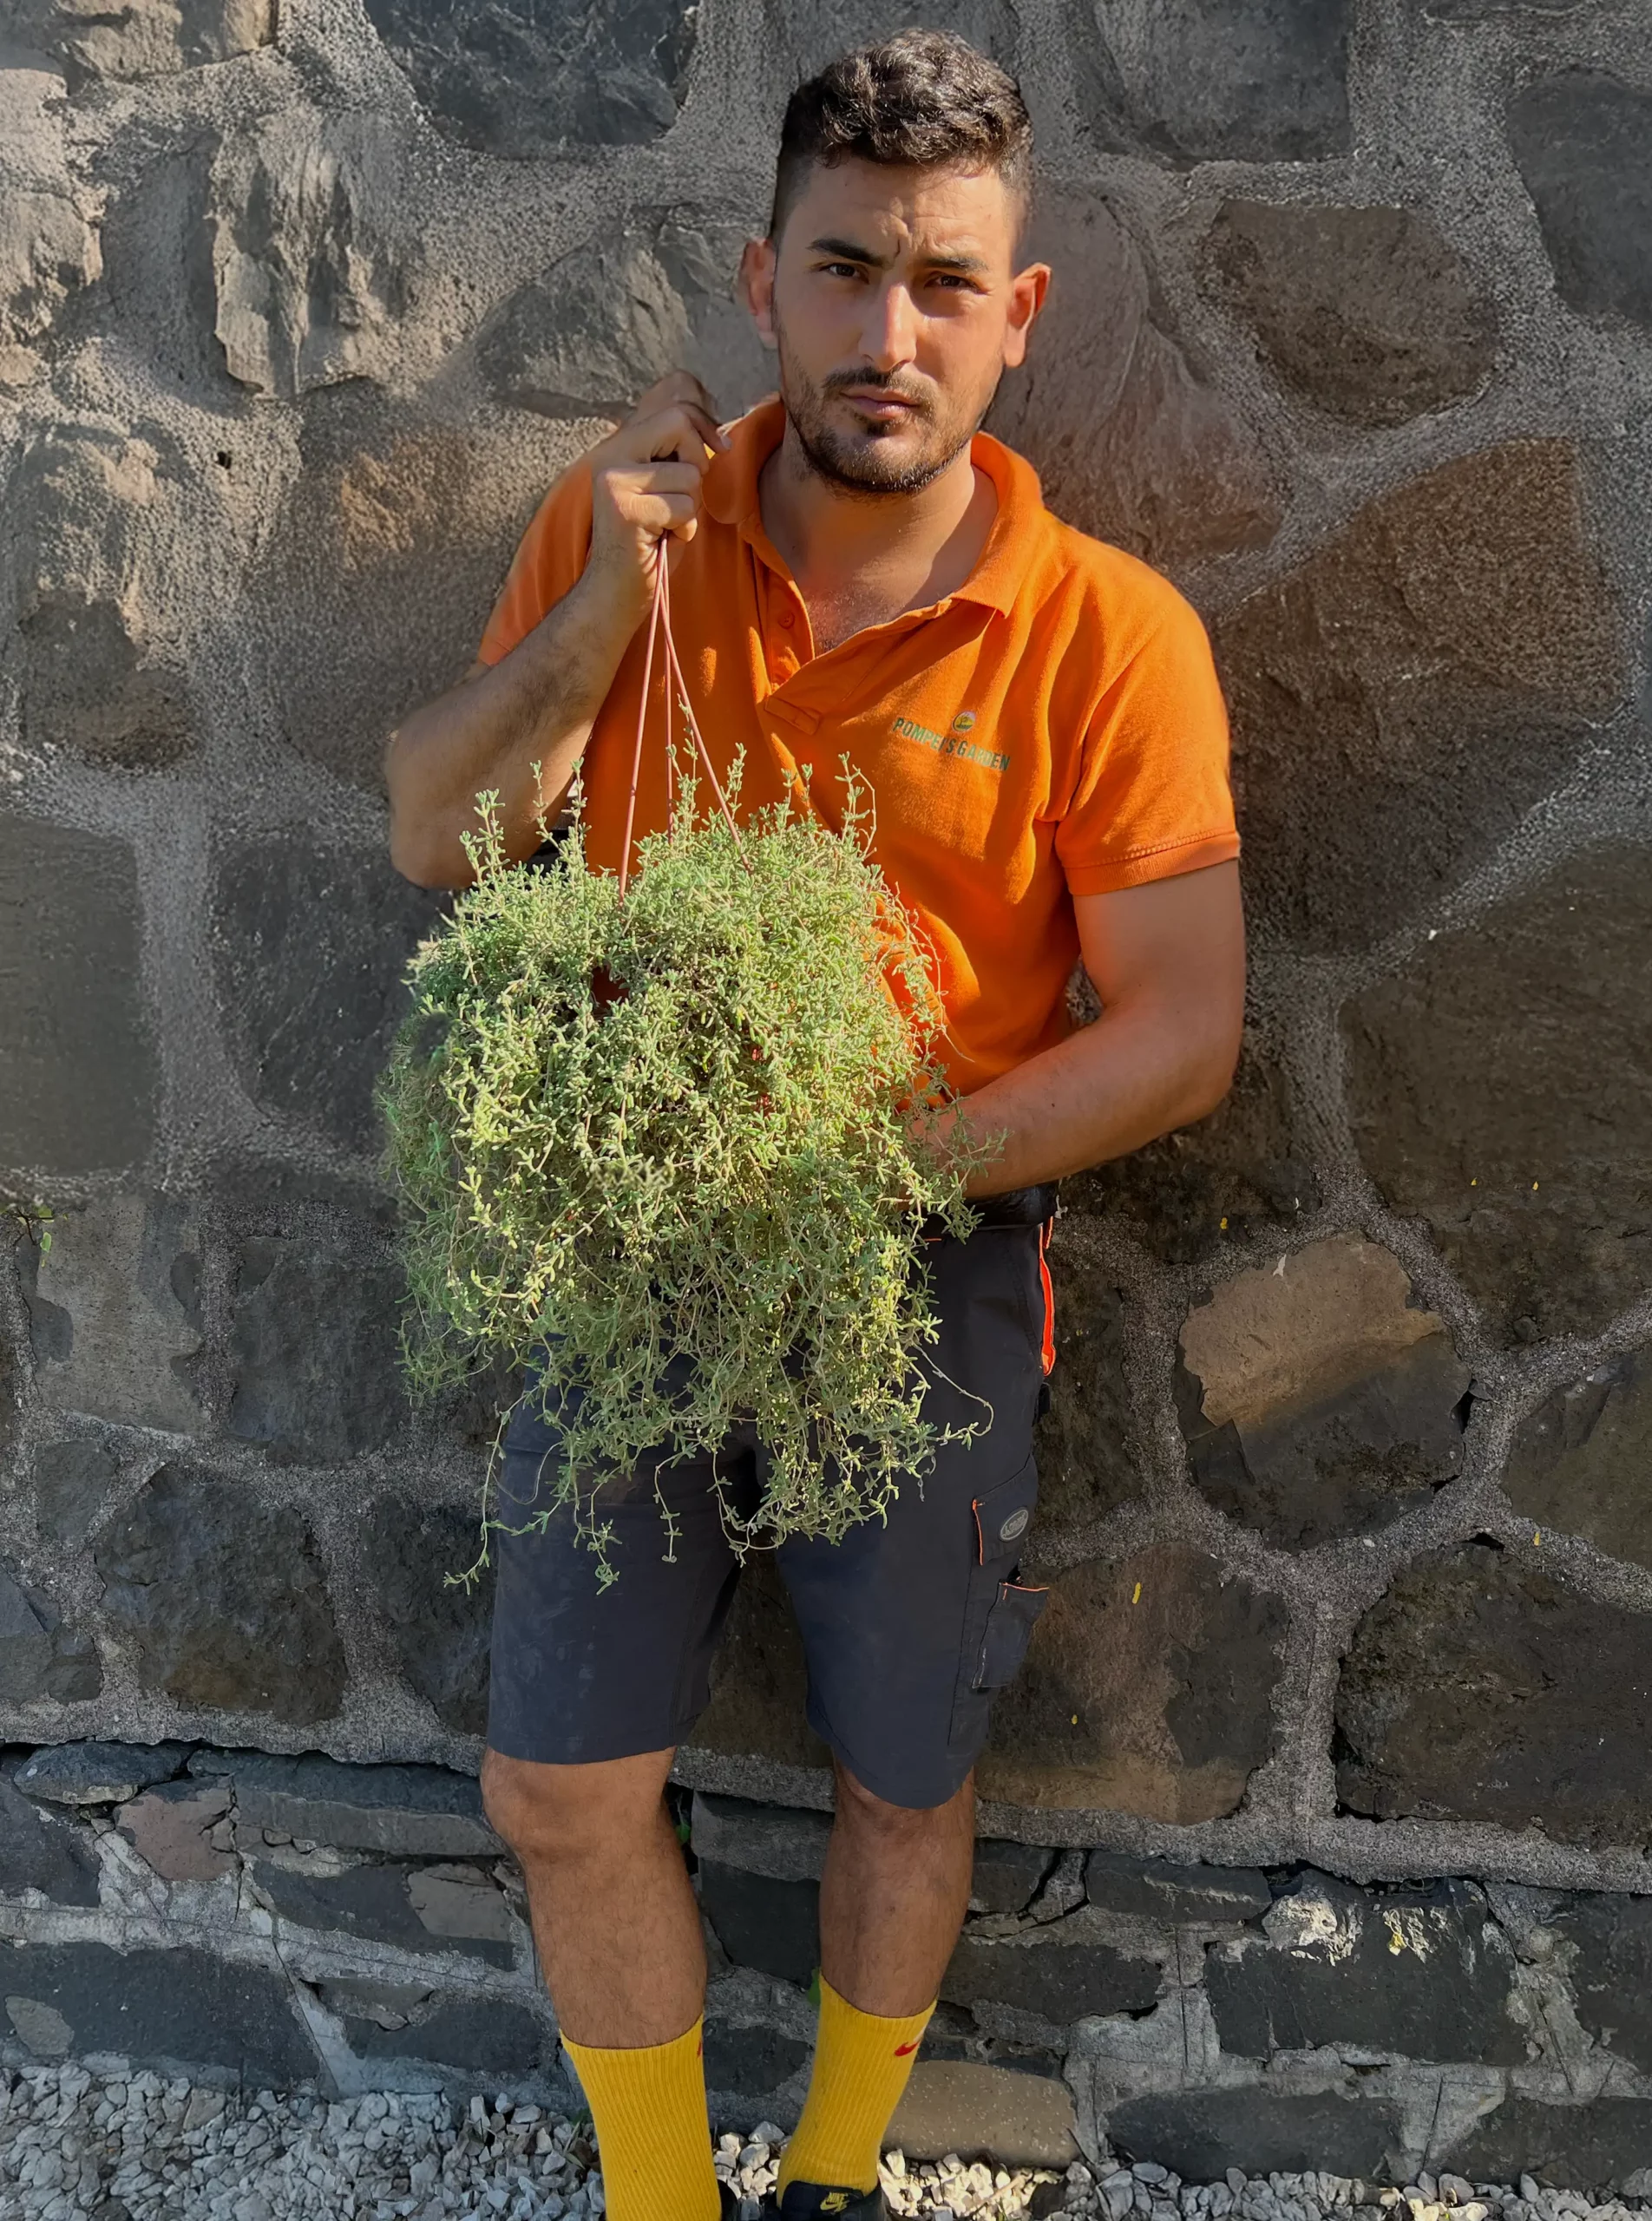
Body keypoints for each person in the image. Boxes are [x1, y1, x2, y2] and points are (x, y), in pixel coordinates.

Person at [384, 28, 1244, 2221]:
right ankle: (663, 2199)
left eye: (945, 284)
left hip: (923, 1254)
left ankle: (841, 2175)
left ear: (1017, 314)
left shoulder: (1106, 635)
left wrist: (875, 1173)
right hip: (632, 1247)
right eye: (846, 269)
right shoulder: (622, 537)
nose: (891, 333)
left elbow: (1181, 1033)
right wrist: (608, 599)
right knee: (557, 1784)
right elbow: (435, 836)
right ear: (761, 281)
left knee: (904, 1769)